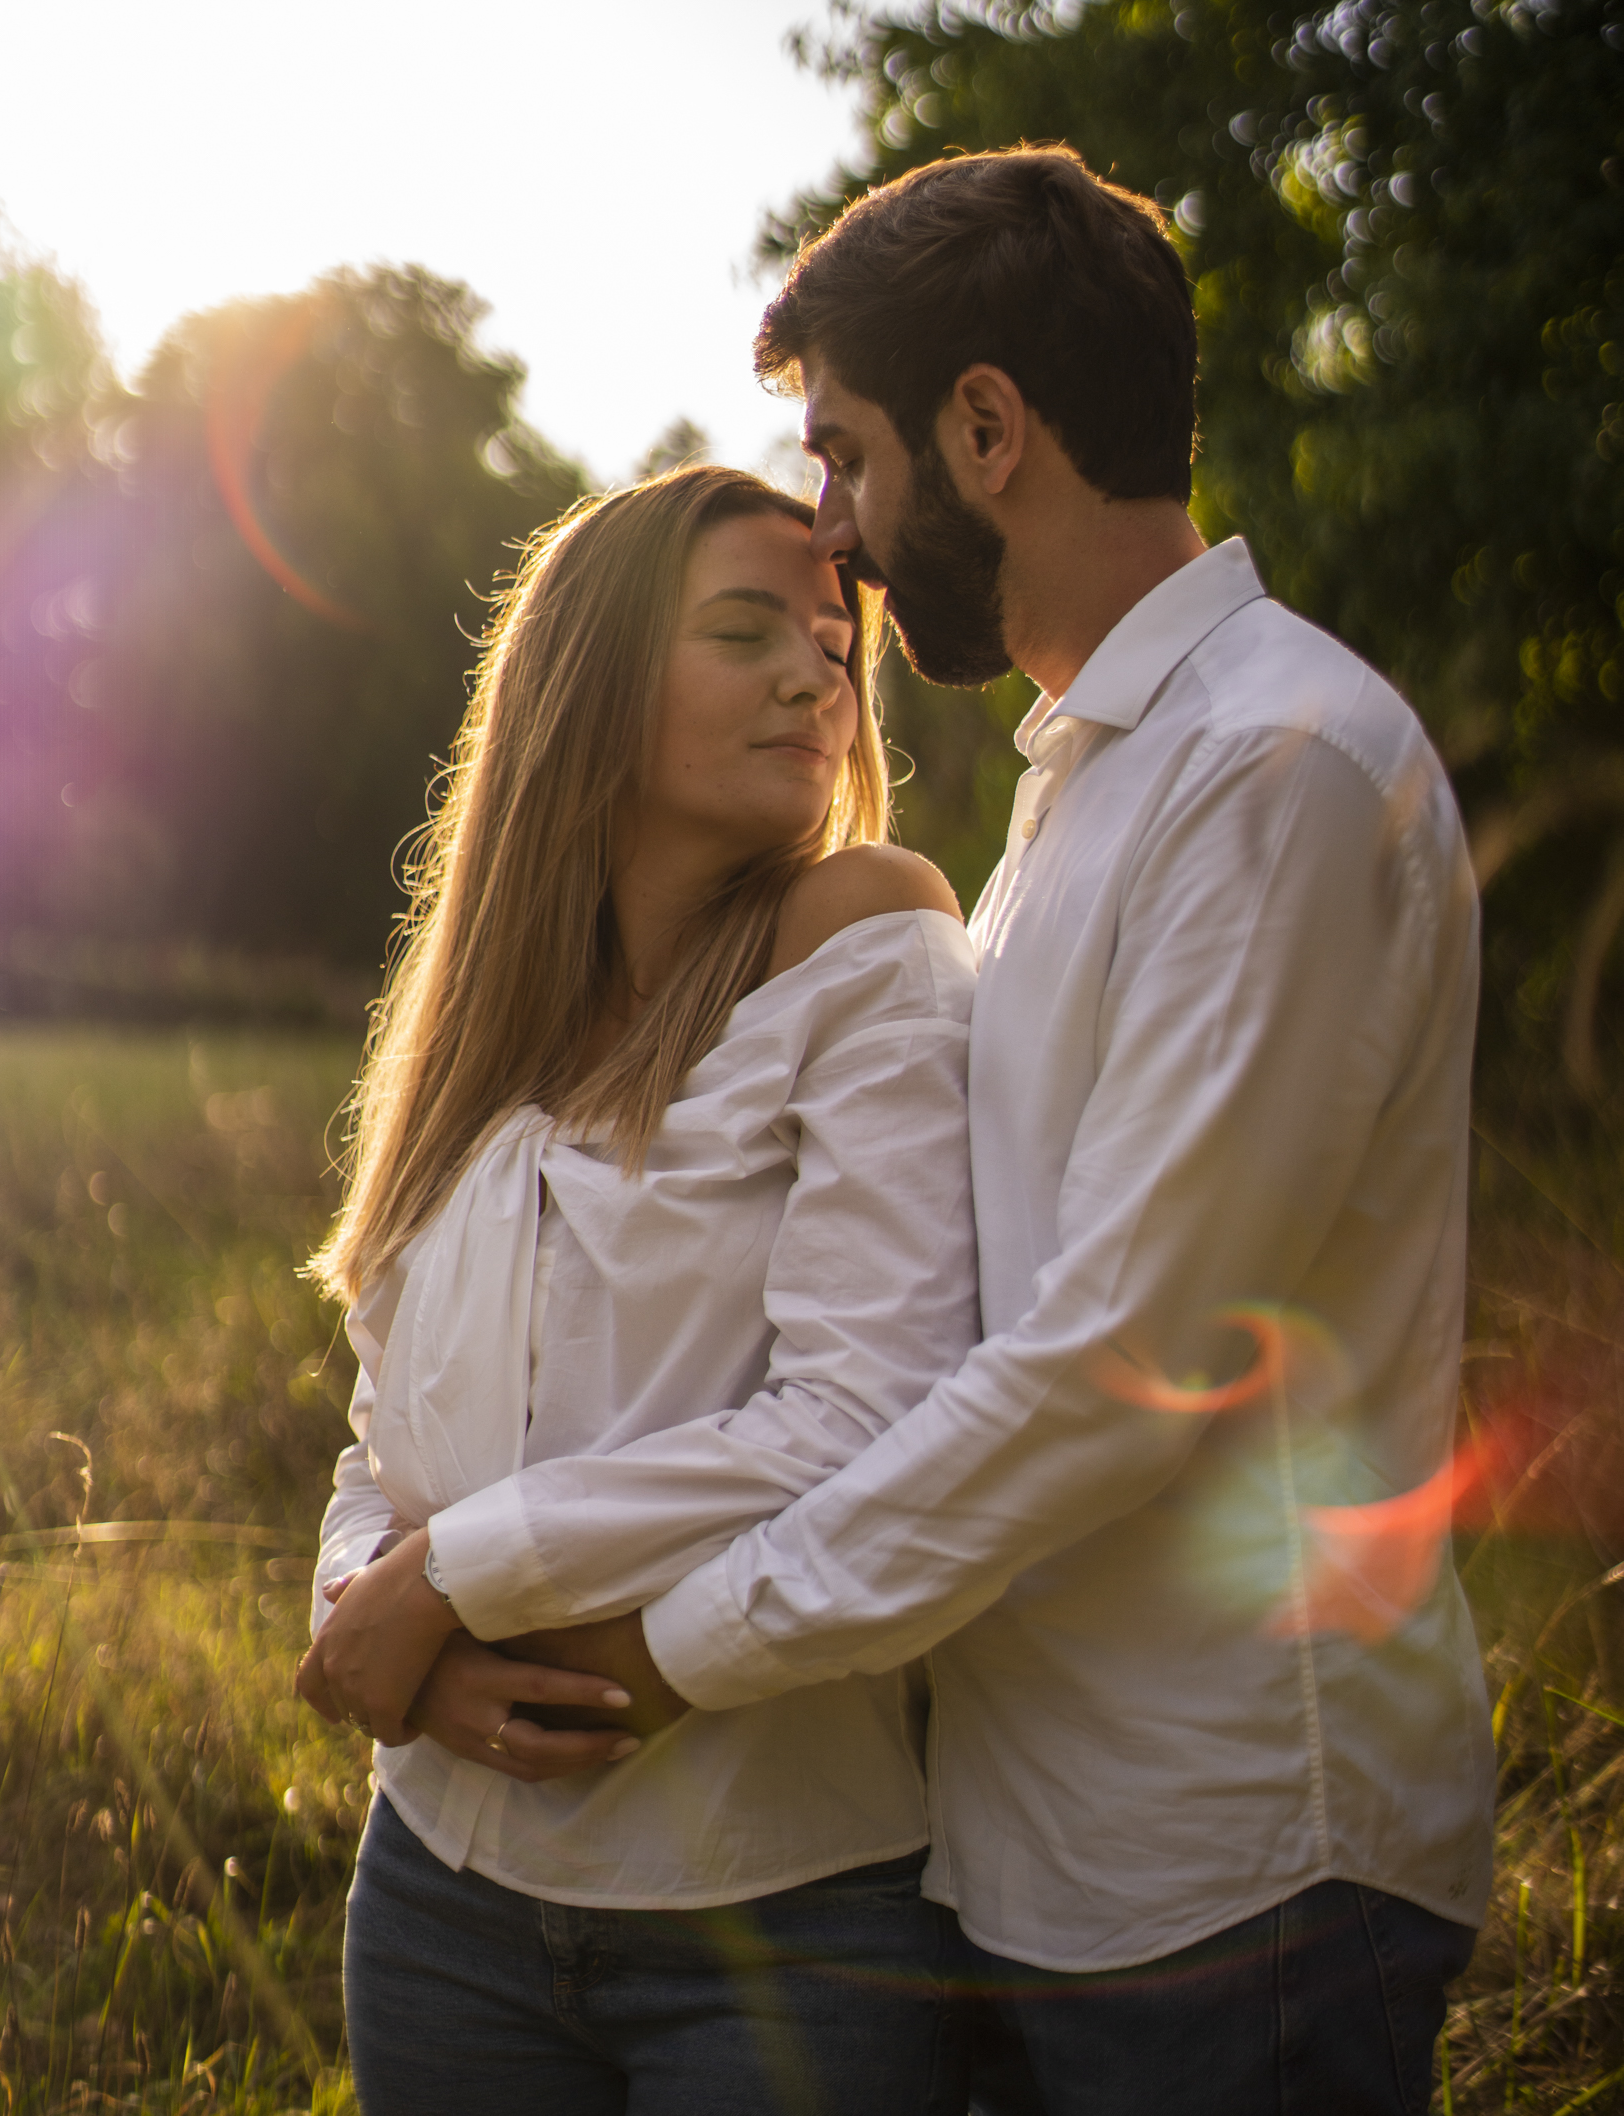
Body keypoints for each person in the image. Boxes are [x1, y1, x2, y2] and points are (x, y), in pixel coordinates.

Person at [387, 147, 1497, 2115]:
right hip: (1044, 1858)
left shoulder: (1273, 769)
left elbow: (1121, 1367)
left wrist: (673, 1648)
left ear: (987, 427)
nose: (840, 533)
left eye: (844, 455)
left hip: (1233, 1867)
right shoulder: (1088, 798)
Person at [295, 464, 980, 2116]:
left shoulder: (865, 933)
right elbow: (383, 1434)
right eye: (745, 632)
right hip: (440, 1893)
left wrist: (452, 1579)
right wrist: (370, 1616)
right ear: (590, 690)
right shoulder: (482, 1029)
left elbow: (861, 1419)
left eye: (830, 643)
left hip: (779, 1914)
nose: (816, 675)